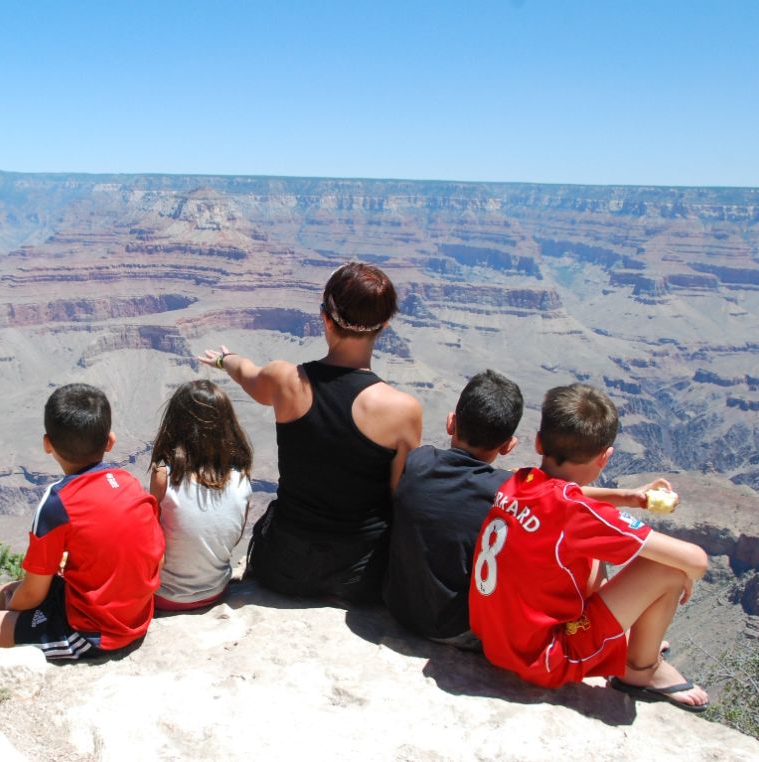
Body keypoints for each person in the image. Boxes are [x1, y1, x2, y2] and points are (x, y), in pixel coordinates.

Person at [383, 370, 678, 650]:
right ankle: (619, 639)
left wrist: (625, 496)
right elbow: (556, 498)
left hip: (398, 608)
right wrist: (626, 498)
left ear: (451, 423)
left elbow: (547, 492)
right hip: (461, 630)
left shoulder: (419, 462)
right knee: (587, 553)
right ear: (509, 445)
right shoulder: (505, 492)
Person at [468, 383, 710, 711]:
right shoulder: (580, 516)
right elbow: (697, 561)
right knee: (668, 569)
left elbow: (560, 493)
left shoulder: (518, 480)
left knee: (587, 552)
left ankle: (620, 640)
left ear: (539, 442)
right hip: (543, 661)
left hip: (497, 641)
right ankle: (641, 669)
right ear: (604, 457)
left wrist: (627, 497)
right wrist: (686, 575)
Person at [200, 262, 422, 604]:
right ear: (385, 326)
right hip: (360, 577)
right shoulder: (403, 410)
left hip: (283, 567)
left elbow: (247, 373)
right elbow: (399, 497)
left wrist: (224, 360)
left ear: (325, 319)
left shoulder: (285, 380)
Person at [0, 383, 164, 658]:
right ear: (110, 441)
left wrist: (16, 610)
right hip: (131, 614)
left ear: (47, 444)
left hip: (93, 633)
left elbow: (33, 594)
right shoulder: (128, 482)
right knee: (4, 593)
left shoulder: (57, 502)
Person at [148, 380, 253, 611]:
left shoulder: (164, 477)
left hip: (165, 596)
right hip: (216, 590)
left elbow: (151, 543)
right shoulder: (241, 479)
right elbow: (234, 534)